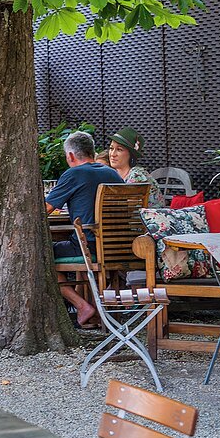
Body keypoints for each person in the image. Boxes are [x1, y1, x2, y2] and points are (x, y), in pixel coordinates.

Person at [45, 131, 123, 327]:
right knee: (73, 244)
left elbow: (44, 210)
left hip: (89, 245)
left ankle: (81, 305)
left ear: (70, 156)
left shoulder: (74, 173)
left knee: (40, 255)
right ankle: (95, 312)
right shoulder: (111, 173)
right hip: (117, 246)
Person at [107, 128, 165, 208]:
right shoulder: (113, 173)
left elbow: (126, 207)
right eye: (111, 148)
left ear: (131, 154)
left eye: (119, 150)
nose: (113, 154)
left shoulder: (137, 175)